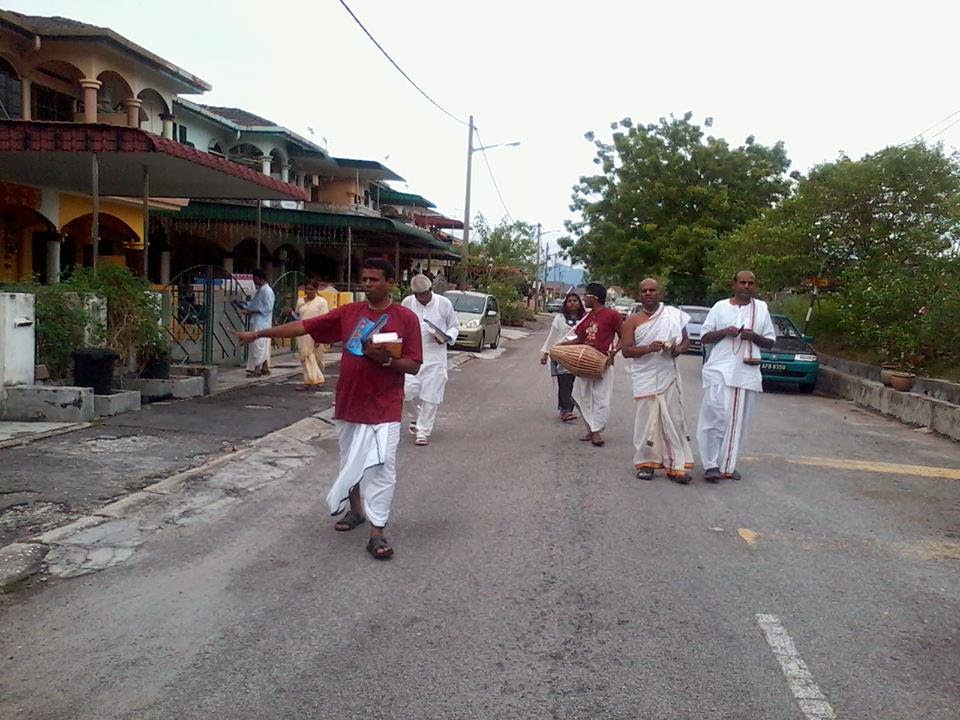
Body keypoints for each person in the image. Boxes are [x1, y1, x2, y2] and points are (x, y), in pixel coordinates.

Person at [231, 258, 422, 559]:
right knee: (351, 463)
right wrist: (258, 334)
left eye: (374, 279)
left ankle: (377, 532)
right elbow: (303, 326)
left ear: (390, 282)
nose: (367, 283)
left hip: (385, 406)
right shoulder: (349, 313)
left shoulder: (406, 318)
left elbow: (414, 365)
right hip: (349, 402)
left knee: (382, 467)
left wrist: (387, 360)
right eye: (364, 278)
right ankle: (356, 511)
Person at [696, 270, 776, 483]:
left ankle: (727, 464)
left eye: (750, 283)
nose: (746, 286)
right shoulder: (720, 307)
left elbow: (770, 342)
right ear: (734, 285)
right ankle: (710, 463)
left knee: (738, 421)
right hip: (719, 370)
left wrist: (753, 336)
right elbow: (704, 337)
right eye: (742, 282)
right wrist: (725, 331)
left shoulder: (761, 308)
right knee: (715, 416)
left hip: (746, 372)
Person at [620, 278, 694, 483]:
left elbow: (686, 341)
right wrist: (648, 348)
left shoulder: (673, 315)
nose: (648, 294)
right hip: (644, 377)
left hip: (668, 376)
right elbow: (626, 351)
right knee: (646, 422)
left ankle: (676, 465)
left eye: (652, 290)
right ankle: (646, 463)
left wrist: (677, 349)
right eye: (644, 291)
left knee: (674, 420)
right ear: (639, 295)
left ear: (659, 294)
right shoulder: (632, 320)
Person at [561, 282, 622, 447]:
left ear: (594, 297)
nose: (583, 299)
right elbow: (579, 339)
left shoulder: (612, 315)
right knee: (582, 396)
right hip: (584, 364)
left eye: (586, 295)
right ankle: (591, 428)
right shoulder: (586, 317)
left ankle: (596, 432)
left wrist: (614, 352)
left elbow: (623, 336)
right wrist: (560, 346)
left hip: (602, 364)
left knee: (601, 398)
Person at [401, 274, 459, 446]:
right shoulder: (408, 303)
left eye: (423, 294)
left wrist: (447, 337)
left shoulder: (444, 303)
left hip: (435, 357)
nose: (420, 298)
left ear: (430, 290)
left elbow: (454, 326)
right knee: (406, 391)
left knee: (430, 395)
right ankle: (415, 416)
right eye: (417, 295)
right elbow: (401, 325)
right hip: (412, 355)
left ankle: (423, 431)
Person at [539, 292, 586, 422]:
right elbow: (552, 336)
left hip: (578, 355)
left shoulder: (585, 318)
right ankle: (565, 411)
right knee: (564, 383)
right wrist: (546, 353)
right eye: (569, 301)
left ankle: (567, 409)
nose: (572, 303)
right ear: (565, 304)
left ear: (579, 303)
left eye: (575, 301)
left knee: (575, 384)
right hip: (561, 354)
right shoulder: (559, 318)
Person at [291, 279, 329, 391]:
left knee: (317, 358)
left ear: (316, 290)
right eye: (307, 289)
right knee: (305, 356)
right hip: (303, 333)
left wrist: (320, 337)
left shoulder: (322, 302)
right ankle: (308, 381)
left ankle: (318, 377)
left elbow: (324, 320)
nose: (309, 291)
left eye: (311, 289)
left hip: (316, 332)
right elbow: (298, 316)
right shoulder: (300, 301)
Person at [237, 268, 275, 377]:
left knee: (258, 345)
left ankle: (257, 369)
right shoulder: (261, 290)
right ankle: (264, 367)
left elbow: (268, 308)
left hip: (262, 322)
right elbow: (255, 304)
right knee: (261, 345)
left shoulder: (267, 291)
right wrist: (245, 305)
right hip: (258, 321)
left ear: (258, 278)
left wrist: (251, 311)